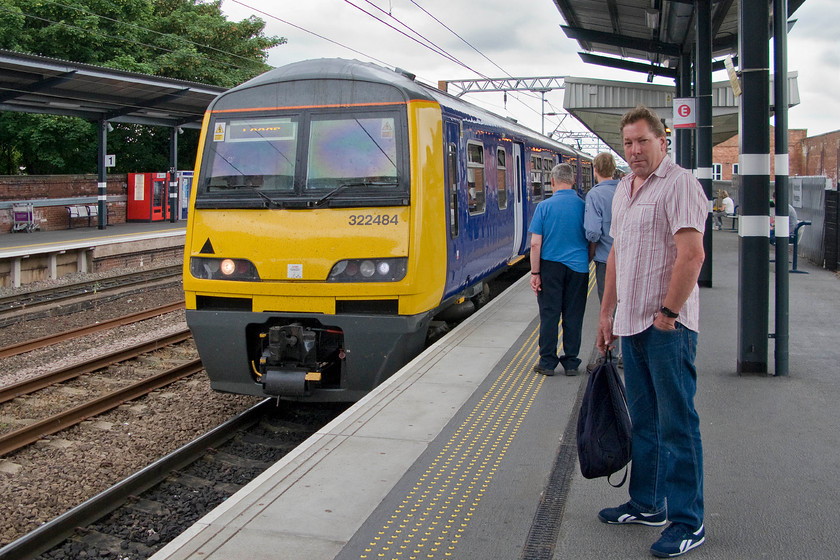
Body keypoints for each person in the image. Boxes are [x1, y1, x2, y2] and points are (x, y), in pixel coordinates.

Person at [596, 105, 708, 558]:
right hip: (631, 322)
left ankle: (688, 520)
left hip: (667, 326)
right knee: (643, 420)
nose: (635, 150)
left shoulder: (681, 185)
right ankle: (648, 502)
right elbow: (618, 254)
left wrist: (667, 313)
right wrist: (606, 315)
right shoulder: (624, 188)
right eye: (628, 143)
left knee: (678, 424)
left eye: (643, 141)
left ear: (664, 141)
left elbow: (692, 255)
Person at [529, 163, 589, 377]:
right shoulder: (584, 206)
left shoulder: (544, 207)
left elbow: (536, 243)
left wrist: (535, 273)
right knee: (574, 314)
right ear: (573, 181)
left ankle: (547, 362)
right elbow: (592, 238)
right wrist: (585, 259)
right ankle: (571, 362)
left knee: (549, 314)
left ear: (552, 181)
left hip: (550, 267)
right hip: (579, 268)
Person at [584, 152, 619, 302]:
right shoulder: (625, 190)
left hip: (606, 260)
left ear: (595, 169)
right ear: (614, 169)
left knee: (608, 304)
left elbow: (593, 232)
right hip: (628, 258)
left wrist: (590, 253)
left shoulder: (594, 194)